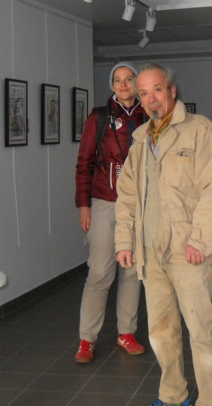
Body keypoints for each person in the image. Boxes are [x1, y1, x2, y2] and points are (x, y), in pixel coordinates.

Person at [115, 63, 212, 406]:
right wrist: (124, 241)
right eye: (143, 93)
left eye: (157, 89)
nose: (151, 99)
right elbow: (127, 196)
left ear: (171, 90)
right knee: (161, 331)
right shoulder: (141, 140)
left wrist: (200, 240)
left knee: (200, 331)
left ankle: (209, 401)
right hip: (150, 252)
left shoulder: (200, 131)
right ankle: (172, 395)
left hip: (189, 252)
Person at [74, 62, 147, 363]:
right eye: (118, 80)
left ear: (137, 83)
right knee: (100, 271)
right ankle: (86, 339)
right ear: (112, 85)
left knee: (131, 271)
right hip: (105, 201)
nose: (123, 84)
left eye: (129, 79)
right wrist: (84, 204)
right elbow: (84, 162)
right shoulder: (99, 117)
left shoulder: (149, 116)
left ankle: (126, 332)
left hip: (140, 204)